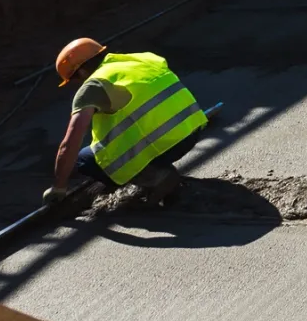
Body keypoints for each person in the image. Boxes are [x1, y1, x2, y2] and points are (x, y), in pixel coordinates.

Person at [50, 39, 208, 208]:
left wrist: (59, 187)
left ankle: (156, 177)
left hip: (164, 147)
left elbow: (70, 143)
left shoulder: (93, 86)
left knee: (85, 160)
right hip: (191, 131)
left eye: (74, 80)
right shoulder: (141, 59)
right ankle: (155, 170)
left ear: (80, 72)